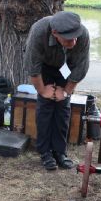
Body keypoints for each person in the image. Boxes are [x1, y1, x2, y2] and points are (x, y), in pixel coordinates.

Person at [24, 11, 90, 171]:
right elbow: (33, 67)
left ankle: (60, 152)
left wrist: (66, 92)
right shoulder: (39, 31)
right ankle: (45, 152)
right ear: (55, 33)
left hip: (67, 68)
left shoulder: (83, 34)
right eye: (69, 39)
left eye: (76, 37)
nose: (74, 42)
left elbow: (81, 67)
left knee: (63, 109)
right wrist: (42, 90)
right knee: (45, 108)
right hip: (45, 67)